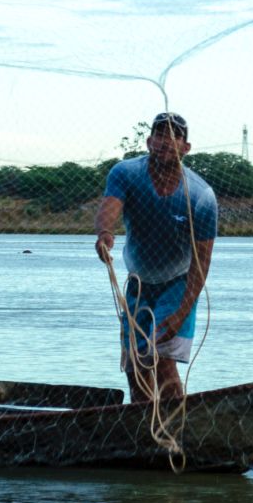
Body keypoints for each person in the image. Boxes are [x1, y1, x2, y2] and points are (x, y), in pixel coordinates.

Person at [95, 112, 218, 403]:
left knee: (162, 358)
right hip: (139, 283)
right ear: (149, 141)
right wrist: (105, 234)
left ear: (185, 148)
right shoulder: (126, 173)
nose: (164, 141)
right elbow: (110, 207)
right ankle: (144, 432)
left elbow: (202, 262)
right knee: (135, 363)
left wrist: (180, 314)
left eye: (173, 136)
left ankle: (176, 428)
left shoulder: (201, 196)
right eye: (159, 135)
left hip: (178, 283)